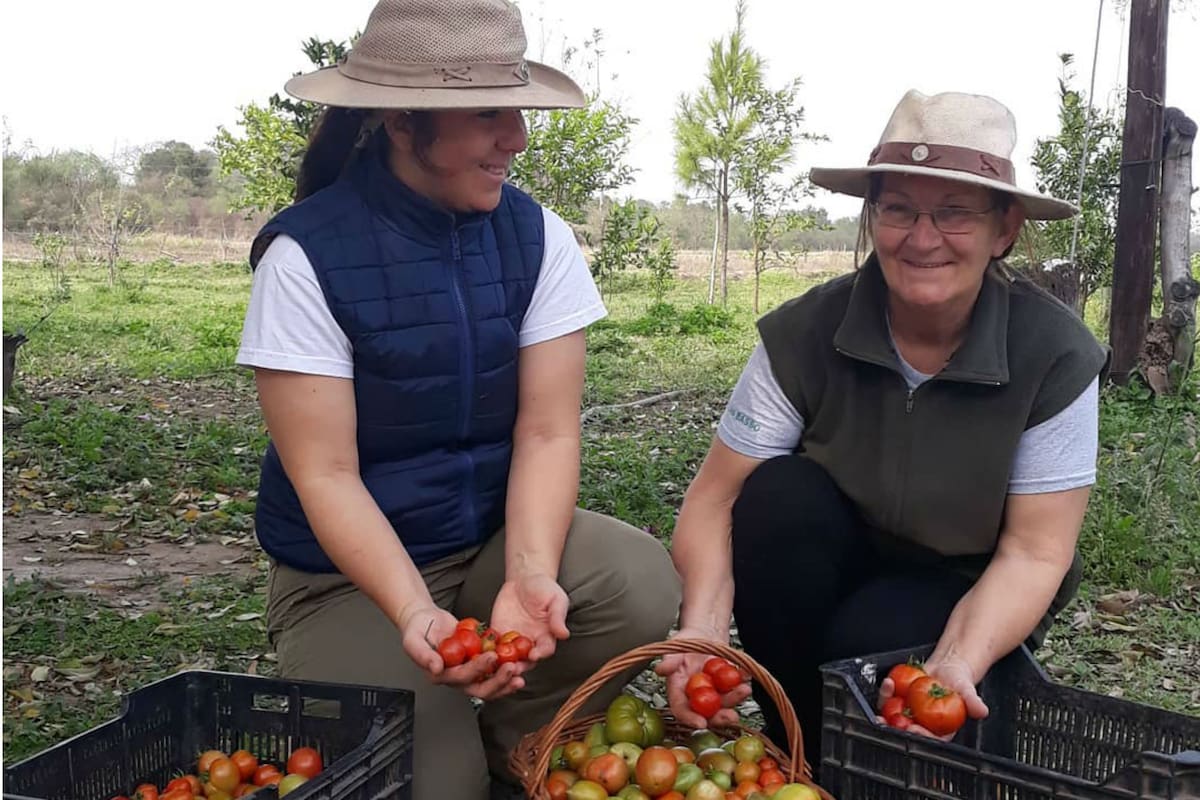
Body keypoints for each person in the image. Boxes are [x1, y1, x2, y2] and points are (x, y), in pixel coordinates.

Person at [234, 2, 681, 798]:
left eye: (516, 109)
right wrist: (411, 611)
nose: (516, 136)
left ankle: (513, 745)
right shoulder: (306, 256)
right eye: (487, 114)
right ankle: (451, 753)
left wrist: (529, 573)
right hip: (347, 578)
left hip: (482, 544)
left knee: (636, 580)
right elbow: (326, 474)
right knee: (435, 788)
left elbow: (547, 432)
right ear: (404, 124)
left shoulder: (537, 237)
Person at [656, 89, 1109, 770]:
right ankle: (801, 755)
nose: (921, 239)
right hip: (843, 552)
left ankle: (858, 763)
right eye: (897, 208)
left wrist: (954, 665)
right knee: (779, 496)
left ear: (1004, 229)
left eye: (954, 212)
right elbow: (715, 498)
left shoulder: (1055, 355)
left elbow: (1036, 554)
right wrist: (704, 633)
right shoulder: (805, 333)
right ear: (872, 217)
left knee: (868, 643)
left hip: (966, 577)